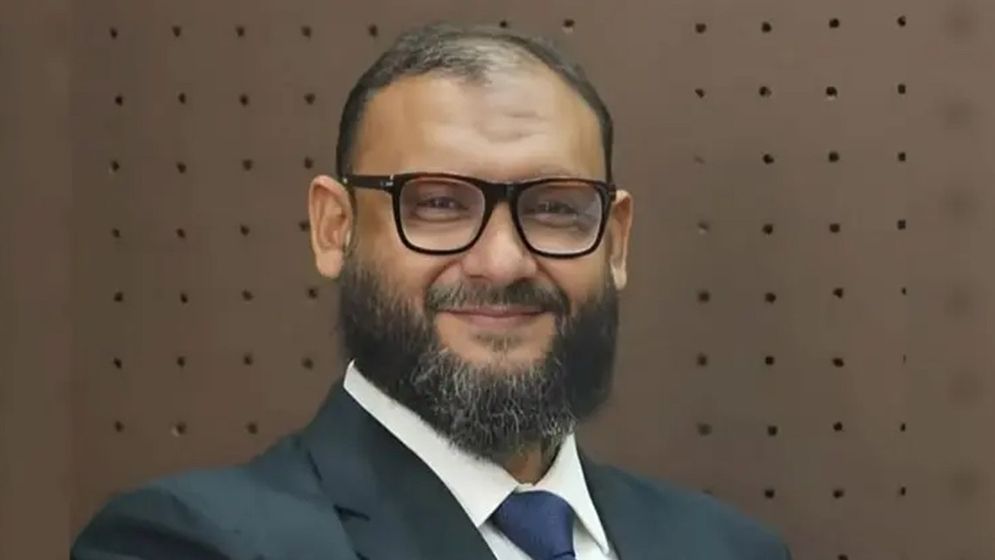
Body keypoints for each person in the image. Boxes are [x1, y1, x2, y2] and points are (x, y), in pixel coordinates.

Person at [72, 22, 791, 560]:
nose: (502, 262)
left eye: (554, 208)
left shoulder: (731, 550)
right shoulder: (188, 543)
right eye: (439, 204)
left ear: (616, 240)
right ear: (334, 229)